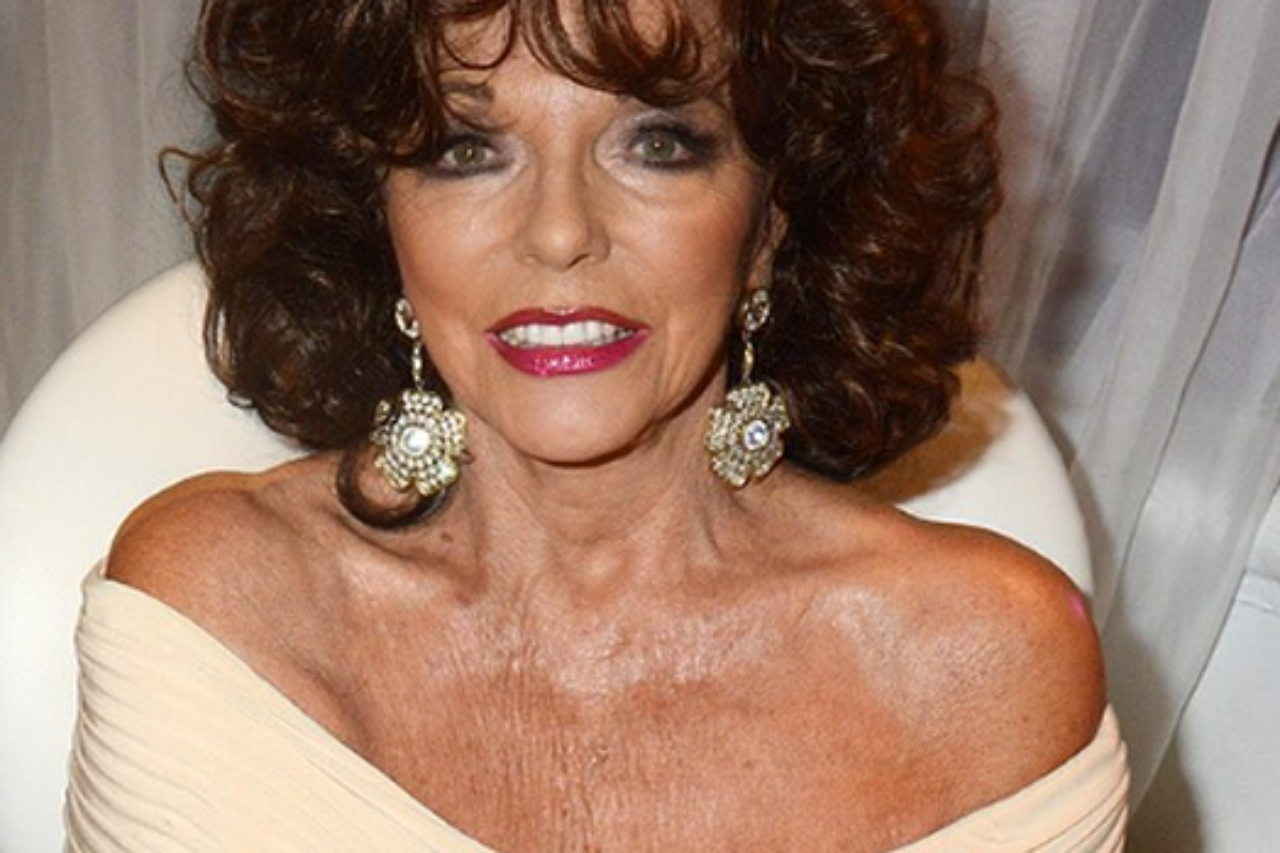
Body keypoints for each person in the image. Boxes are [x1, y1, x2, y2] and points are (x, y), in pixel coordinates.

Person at [64, 0, 1128, 850]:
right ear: (375, 216)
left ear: (771, 222)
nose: (560, 233)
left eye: (656, 143)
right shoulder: (216, 619)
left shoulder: (983, 670)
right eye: (464, 149)